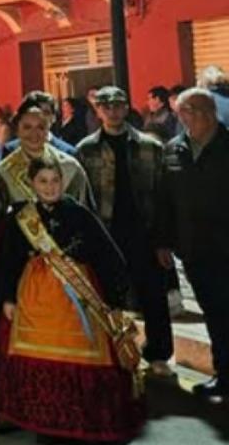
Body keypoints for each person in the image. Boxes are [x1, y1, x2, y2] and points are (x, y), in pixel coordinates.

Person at [0, 158, 143, 441]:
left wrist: (115, 300)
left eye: (55, 181)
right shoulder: (22, 218)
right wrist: (7, 298)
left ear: (63, 182)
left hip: (79, 300)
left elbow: (109, 256)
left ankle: (83, 418)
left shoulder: (80, 214)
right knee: (38, 354)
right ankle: (43, 418)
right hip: (35, 298)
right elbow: (9, 261)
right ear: (31, 184)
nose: (50, 187)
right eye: (43, 181)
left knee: (84, 356)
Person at [73, 85, 172, 376]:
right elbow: (84, 197)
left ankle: (158, 354)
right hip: (105, 233)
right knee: (106, 296)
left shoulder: (150, 146)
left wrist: (163, 239)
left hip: (144, 232)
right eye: (106, 107)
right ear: (98, 111)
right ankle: (111, 352)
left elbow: (163, 195)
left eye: (118, 105)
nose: (112, 111)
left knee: (153, 295)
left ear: (127, 107)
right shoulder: (86, 149)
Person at [158, 89, 229, 401]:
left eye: (188, 110)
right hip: (195, 251)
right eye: (181, 112)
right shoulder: (174, 149)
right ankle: (224, 375)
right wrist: (163, 242)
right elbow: (165, 201)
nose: (183, 117)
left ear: (208, 112)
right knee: (214, 313)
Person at [0, 102, 94, 215]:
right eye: (27, 127)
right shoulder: (5, 170)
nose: (34, 133)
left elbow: (87, 213)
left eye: (40, 127)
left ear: (47, 131)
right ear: (18, 131)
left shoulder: (70, 166)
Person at [0, 91, 78, 158]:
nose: (40, 117)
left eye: (46, 112)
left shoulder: (67, 152)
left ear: (54, 117)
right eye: (35, 112)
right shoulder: (11, 150)